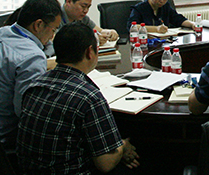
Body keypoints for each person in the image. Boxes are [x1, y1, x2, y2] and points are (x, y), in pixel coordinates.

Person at [17, 22, 140, 174]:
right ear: (90, 52)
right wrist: (124, 145)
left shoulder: (35, 85)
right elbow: (106, 163)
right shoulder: (89, 97)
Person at [0, 0, 61, 148]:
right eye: (53, 29)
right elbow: (27, 112)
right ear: (38, 25)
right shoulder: (32, 57)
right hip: (0, 138)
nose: (52, 36)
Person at [128, 0, 194, 33]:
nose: (162, 1)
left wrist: (192, 24)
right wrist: (156, 29)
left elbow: (178, 19)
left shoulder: (166, 7)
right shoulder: (139, 8)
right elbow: (132, 27)